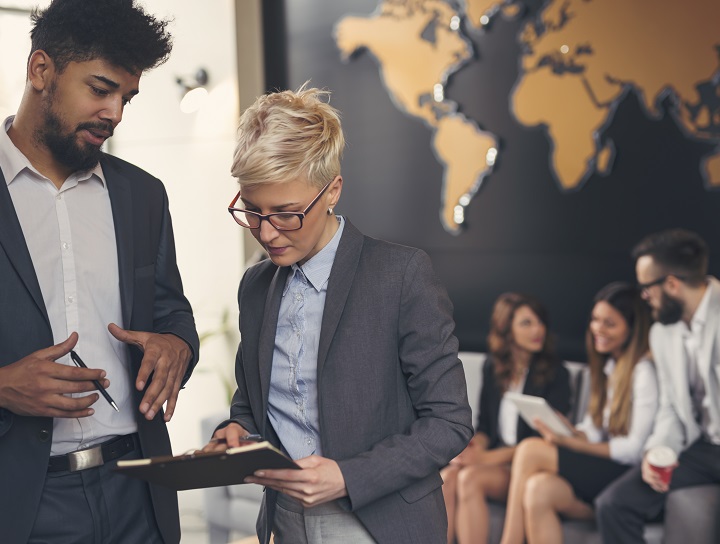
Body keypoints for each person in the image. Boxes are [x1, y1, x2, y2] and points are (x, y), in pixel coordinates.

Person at [203, 86, 473, 544]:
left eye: (287, 214)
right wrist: (235, 431)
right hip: (285, 523)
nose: (266, 233)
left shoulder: (401, 274)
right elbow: (251, 402)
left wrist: (347, 476)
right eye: (252, 211)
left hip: (381, 525)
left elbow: (450, 423)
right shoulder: (256, 286)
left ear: (332, 191)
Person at [0, 1, 199, 543]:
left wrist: (177, 345)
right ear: (41, 70)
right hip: (21, 504)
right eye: (100, 89)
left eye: (125, 98)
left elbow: (171, 310)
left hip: (139, 493)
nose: (115, 113)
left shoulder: (143, 194)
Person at [498, 282, 657, 544]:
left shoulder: (643, 373)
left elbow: (633, 449)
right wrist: (572, 431)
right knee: (538, 489)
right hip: (601, 469)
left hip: (626, 474)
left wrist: (572, 443)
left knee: (530, 450)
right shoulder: (608, 368)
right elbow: (594, 431)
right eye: (595, 320)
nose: (598, 329)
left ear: (632, 329)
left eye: (610, 323)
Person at [595, 229, 720, 543]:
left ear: (672, 284)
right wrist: (658, 450)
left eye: (646, 287)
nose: (643, 296)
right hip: (704, 449)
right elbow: (671, 408)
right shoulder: (663, 333)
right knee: (613, 504)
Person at [442, 293, 571, 544]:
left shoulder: (557, 374)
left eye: (540, 322)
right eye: (527, 323)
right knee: (447, 477)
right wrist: (473, 447)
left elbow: (539, 443)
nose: (538, 330)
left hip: (527, 466)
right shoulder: (493, 367)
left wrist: (484, 458)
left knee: (470, 478)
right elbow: (486, 427)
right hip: (496, 461)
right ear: (506, 329)